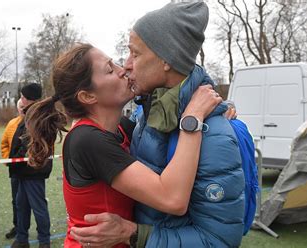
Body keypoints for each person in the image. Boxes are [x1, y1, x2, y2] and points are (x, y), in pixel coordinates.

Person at [70, 2, 245, 247]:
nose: (126, 65)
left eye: (136, 54)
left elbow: (219, 241)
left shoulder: (212, 133)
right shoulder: (147, 117)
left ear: (166, 60)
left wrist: (135, 234)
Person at [24, 43, 221, 248]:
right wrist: (193, 118)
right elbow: (173, 199)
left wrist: (217, 113)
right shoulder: (87, 140)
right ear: (88, 96)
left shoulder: (120, 129)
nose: (123, 70)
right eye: (110, 69)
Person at [10, 83, 52, 248]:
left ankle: (44, 242)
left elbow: (31, 141)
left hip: (33, 170)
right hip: (22, 170)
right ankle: (22, 239)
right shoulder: (29, 115)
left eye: (22, 97)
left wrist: (19, 154)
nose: (21, 100)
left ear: (29, 99)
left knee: (38, 207)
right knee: (21, 205)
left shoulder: (38, 116)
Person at [1, 98, 25, 239]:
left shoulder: (36, 123)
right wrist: (8, 160)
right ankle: (17, 226)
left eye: (24, 106)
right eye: (20, 106)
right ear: (17, 108)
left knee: (33, 201)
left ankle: (39, 233)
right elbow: (4, 144)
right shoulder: (11, 124)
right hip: (15, 171)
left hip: (31, 172)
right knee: (15, 200)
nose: (22, 108)